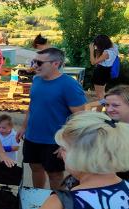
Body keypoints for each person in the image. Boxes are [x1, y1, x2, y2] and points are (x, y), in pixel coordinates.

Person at [16, 48, 86, 190]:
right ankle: (38, 197)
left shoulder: (69, 85)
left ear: (56, 64)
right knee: (35, 168)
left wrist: (67, 142)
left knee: (54, 174)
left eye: (39, 62)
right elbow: (33, 106)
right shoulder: (36, 80)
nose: (35, 65)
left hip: (55, 141)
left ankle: (56, 203)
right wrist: (24, 127)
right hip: (32, 137)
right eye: (34, 61)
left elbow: (80, 116)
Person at [89, 35, 119, 112]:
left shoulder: (106, 53)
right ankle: (99, 111)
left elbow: (93, 62)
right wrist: (98, 50)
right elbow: (98, 60)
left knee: (100, 96)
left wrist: (92, 50)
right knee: (102, 93)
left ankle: (102, 111)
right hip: (107, 71)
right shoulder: (114, 47)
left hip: (100, 73)